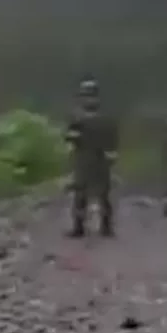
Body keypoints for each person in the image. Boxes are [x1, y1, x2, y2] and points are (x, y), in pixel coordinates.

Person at [65, 77, 119, 237]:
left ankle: (81, 227)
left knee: (84, 193)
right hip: (98, 158)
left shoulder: (78, 116)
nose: (89, 99)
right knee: (100, 194)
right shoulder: (105, 117)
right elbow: (113, 138)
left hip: (87, 157)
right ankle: (105, 226)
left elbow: (70, 137)